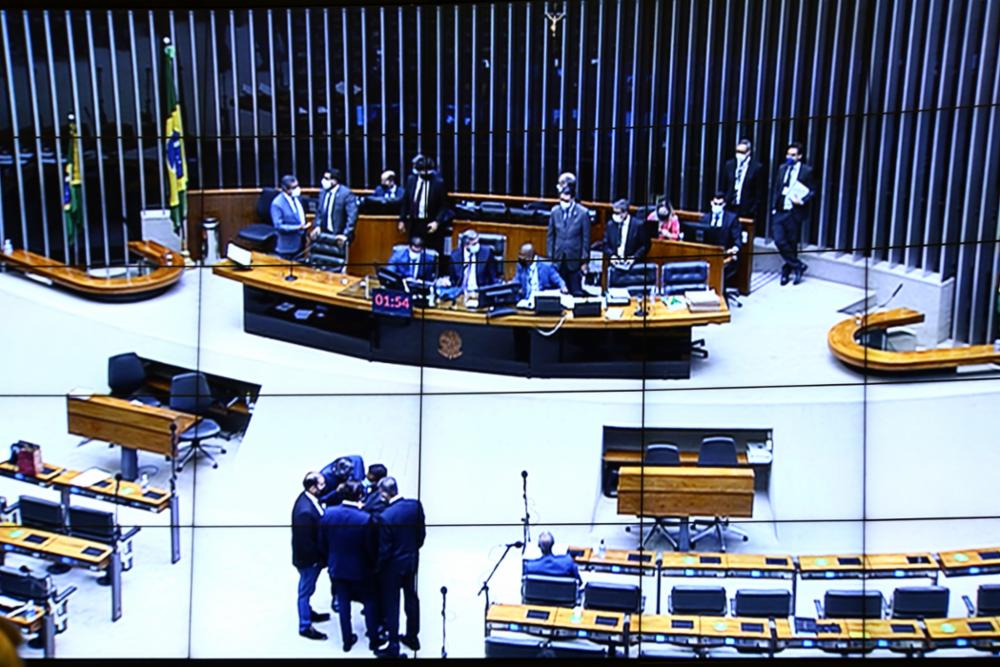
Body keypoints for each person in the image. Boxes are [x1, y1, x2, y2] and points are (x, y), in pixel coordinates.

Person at [320, 481, 380, 653]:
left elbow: (322, 542)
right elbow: (370, 548)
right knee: (369, 601)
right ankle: (373, 639)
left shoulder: (328, 514)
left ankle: (347, 640)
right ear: (360, 496)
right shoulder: (365, 519)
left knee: (344, 604)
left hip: (337, 566)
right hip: (361, 568)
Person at [374, 477, 426, 657]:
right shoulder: (415, 506)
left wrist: (378, 567)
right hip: (411, 560)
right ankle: (412, 636)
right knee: (411, 597)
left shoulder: (385, 517)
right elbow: (421, 536)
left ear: (384, 494)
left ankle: (393, 643)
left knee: (392, 603)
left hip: (392, 566)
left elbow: (384, 549)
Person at [769, 141, 817, 285]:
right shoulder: (782, 168)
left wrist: (802, 200)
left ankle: (788, 270)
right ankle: (798, 266)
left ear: (800, 156)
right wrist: (773, 207)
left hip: (794, 212)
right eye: (788, 154)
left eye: (793, 155)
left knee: (791, 243)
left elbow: (813, 191)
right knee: (779, 240)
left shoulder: (806, 171)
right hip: (780, 210)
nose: (790, 157)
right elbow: (777, 188)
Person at [291, 471, 331, 640]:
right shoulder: (305, 513)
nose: (325, 486)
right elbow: (306, 543)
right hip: (309, 561)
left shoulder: (308, 500)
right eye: (321, 484)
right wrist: (317, 560)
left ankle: (308, 612)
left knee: (309, 588)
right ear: (313, 487)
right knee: (305, 590)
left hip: (311, 559)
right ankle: (305, 625)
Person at [546, 172, 591, 295]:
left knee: (575, 292)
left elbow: (586, 239)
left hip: (575, 260)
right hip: (558, 259)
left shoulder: (583, 213)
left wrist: (584, 261)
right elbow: (550, 236)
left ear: (572, 197)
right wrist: (550, 257)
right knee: (559, 292)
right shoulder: (554, 211)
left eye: (565, 198)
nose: (563, 201)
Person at [399, 155, 453, 255]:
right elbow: (405, 201)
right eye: (422, 171)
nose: (425, 173)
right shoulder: (411, 180)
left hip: (431, 224)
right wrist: (402, 220)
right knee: (414, 251)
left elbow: (444, 206)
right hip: (414, 223)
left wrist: (437, 222)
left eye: (428, 171)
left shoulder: (438, 183)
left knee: (431, 253)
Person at [701, 191, 743, 283]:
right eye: (715, 204)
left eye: (720, 204)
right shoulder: (705, 218)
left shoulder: (731, 219)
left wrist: (735, 248)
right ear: (711, 203)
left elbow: (737, 239)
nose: (717, 206)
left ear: (724, 204)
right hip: (708, 254)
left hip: (725, 254)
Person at [311, 168, 358, 247]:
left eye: (326, 179)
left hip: (339, 235)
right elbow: (319, 212)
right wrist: (317, 226)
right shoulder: (323, 192)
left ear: (335, 181)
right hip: (324, 234)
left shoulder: (346, 194)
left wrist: (345, 234)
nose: (323, 181)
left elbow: (352, 216)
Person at [720, 138, 765, 220]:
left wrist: (753, 210)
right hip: (729, 206)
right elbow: (724, 186)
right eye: (737, 151)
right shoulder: (729, 165)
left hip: (746, 209)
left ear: (748, 152)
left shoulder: (756, 168)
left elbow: (759, 192)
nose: (739, 154)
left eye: (742, 152)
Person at [445, 229, 500, 293]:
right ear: (466, 245)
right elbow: (453, 281)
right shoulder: (455, 257)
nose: (477, 246)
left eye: (477, 242)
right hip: (461, 294)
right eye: (474, 244)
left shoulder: (487, 253)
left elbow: (493, 278)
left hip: (480, 293)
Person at [270, 174, 309, 259]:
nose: (298, 189)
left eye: (297, 186)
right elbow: (278, 226)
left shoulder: (297, 198)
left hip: (301, 242)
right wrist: (298, 227)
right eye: (294, 187)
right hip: (287, 247)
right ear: (286, 189)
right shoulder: (277, 203)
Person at [603, 198, 649, 267]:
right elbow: (605, 244)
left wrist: (634, 257)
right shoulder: (610, 225)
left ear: (625, 212)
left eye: (617, 213)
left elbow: (645, 245)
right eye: (614, 212)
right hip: (615, 265)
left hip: (633, 265)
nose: (615, 215)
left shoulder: (638, 225)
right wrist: (612, 256)